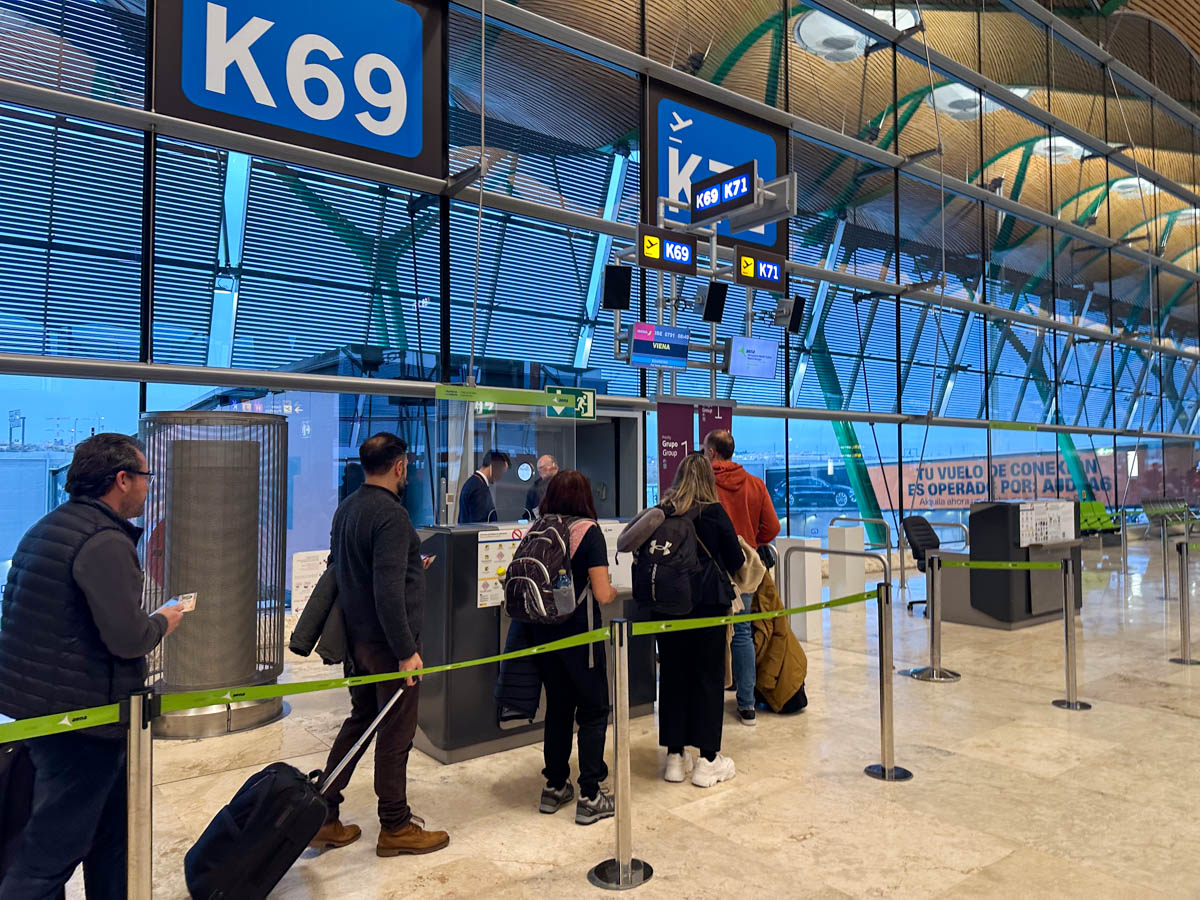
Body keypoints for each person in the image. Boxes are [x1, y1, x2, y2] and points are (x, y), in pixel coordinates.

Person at [0, 433, 186, 898]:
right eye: (145, 477)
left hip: (47, 709)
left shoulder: (50, 527)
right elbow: (128, 638)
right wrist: (163, 620)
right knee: (48, 858)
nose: (148, 487)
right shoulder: (103, 541)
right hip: (83, 723)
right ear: (122, 480)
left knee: (112, 838)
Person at [311, 433, 449, 857]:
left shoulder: (348, 509)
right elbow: (388, 592)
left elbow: (357, 572)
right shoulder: (390, 516)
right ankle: (395, 825)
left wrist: (411, 565)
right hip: (389, 647)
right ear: (400, 466)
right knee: (396, 734)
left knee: (361, 721)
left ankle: (323, 814)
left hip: (358, 643)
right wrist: (407, 651)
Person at [525, 470, 618, 825]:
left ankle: (554, 786)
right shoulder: (588, 532)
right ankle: (591, 794)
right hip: (581, 637)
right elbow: (602, 592)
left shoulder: (539, 527)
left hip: (542, 633)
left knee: (559, 708)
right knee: (593, 710)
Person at [654, 453, 744, 788]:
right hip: (707, 606)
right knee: (708, 678)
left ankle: (675, 758)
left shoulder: (663, 512)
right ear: (708, 480)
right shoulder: (715, 513)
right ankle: (707, 760)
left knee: (674, 677)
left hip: (667, 608)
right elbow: (735, 561)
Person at [704, 429, 781, 727]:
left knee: (710, 633)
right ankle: (747, 706)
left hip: (711, 567)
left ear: (711, 453)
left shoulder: (705, 484)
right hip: (745, 568)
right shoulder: (755, 484)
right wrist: (751, 541)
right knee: (743, 633)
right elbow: (772, 527)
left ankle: (709, 703)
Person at [457, 450, 510, 524]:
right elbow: (480, 524)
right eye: (501, 472)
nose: (500, 477)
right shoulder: (479, 488)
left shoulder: (472, 482)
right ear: (493, 466)